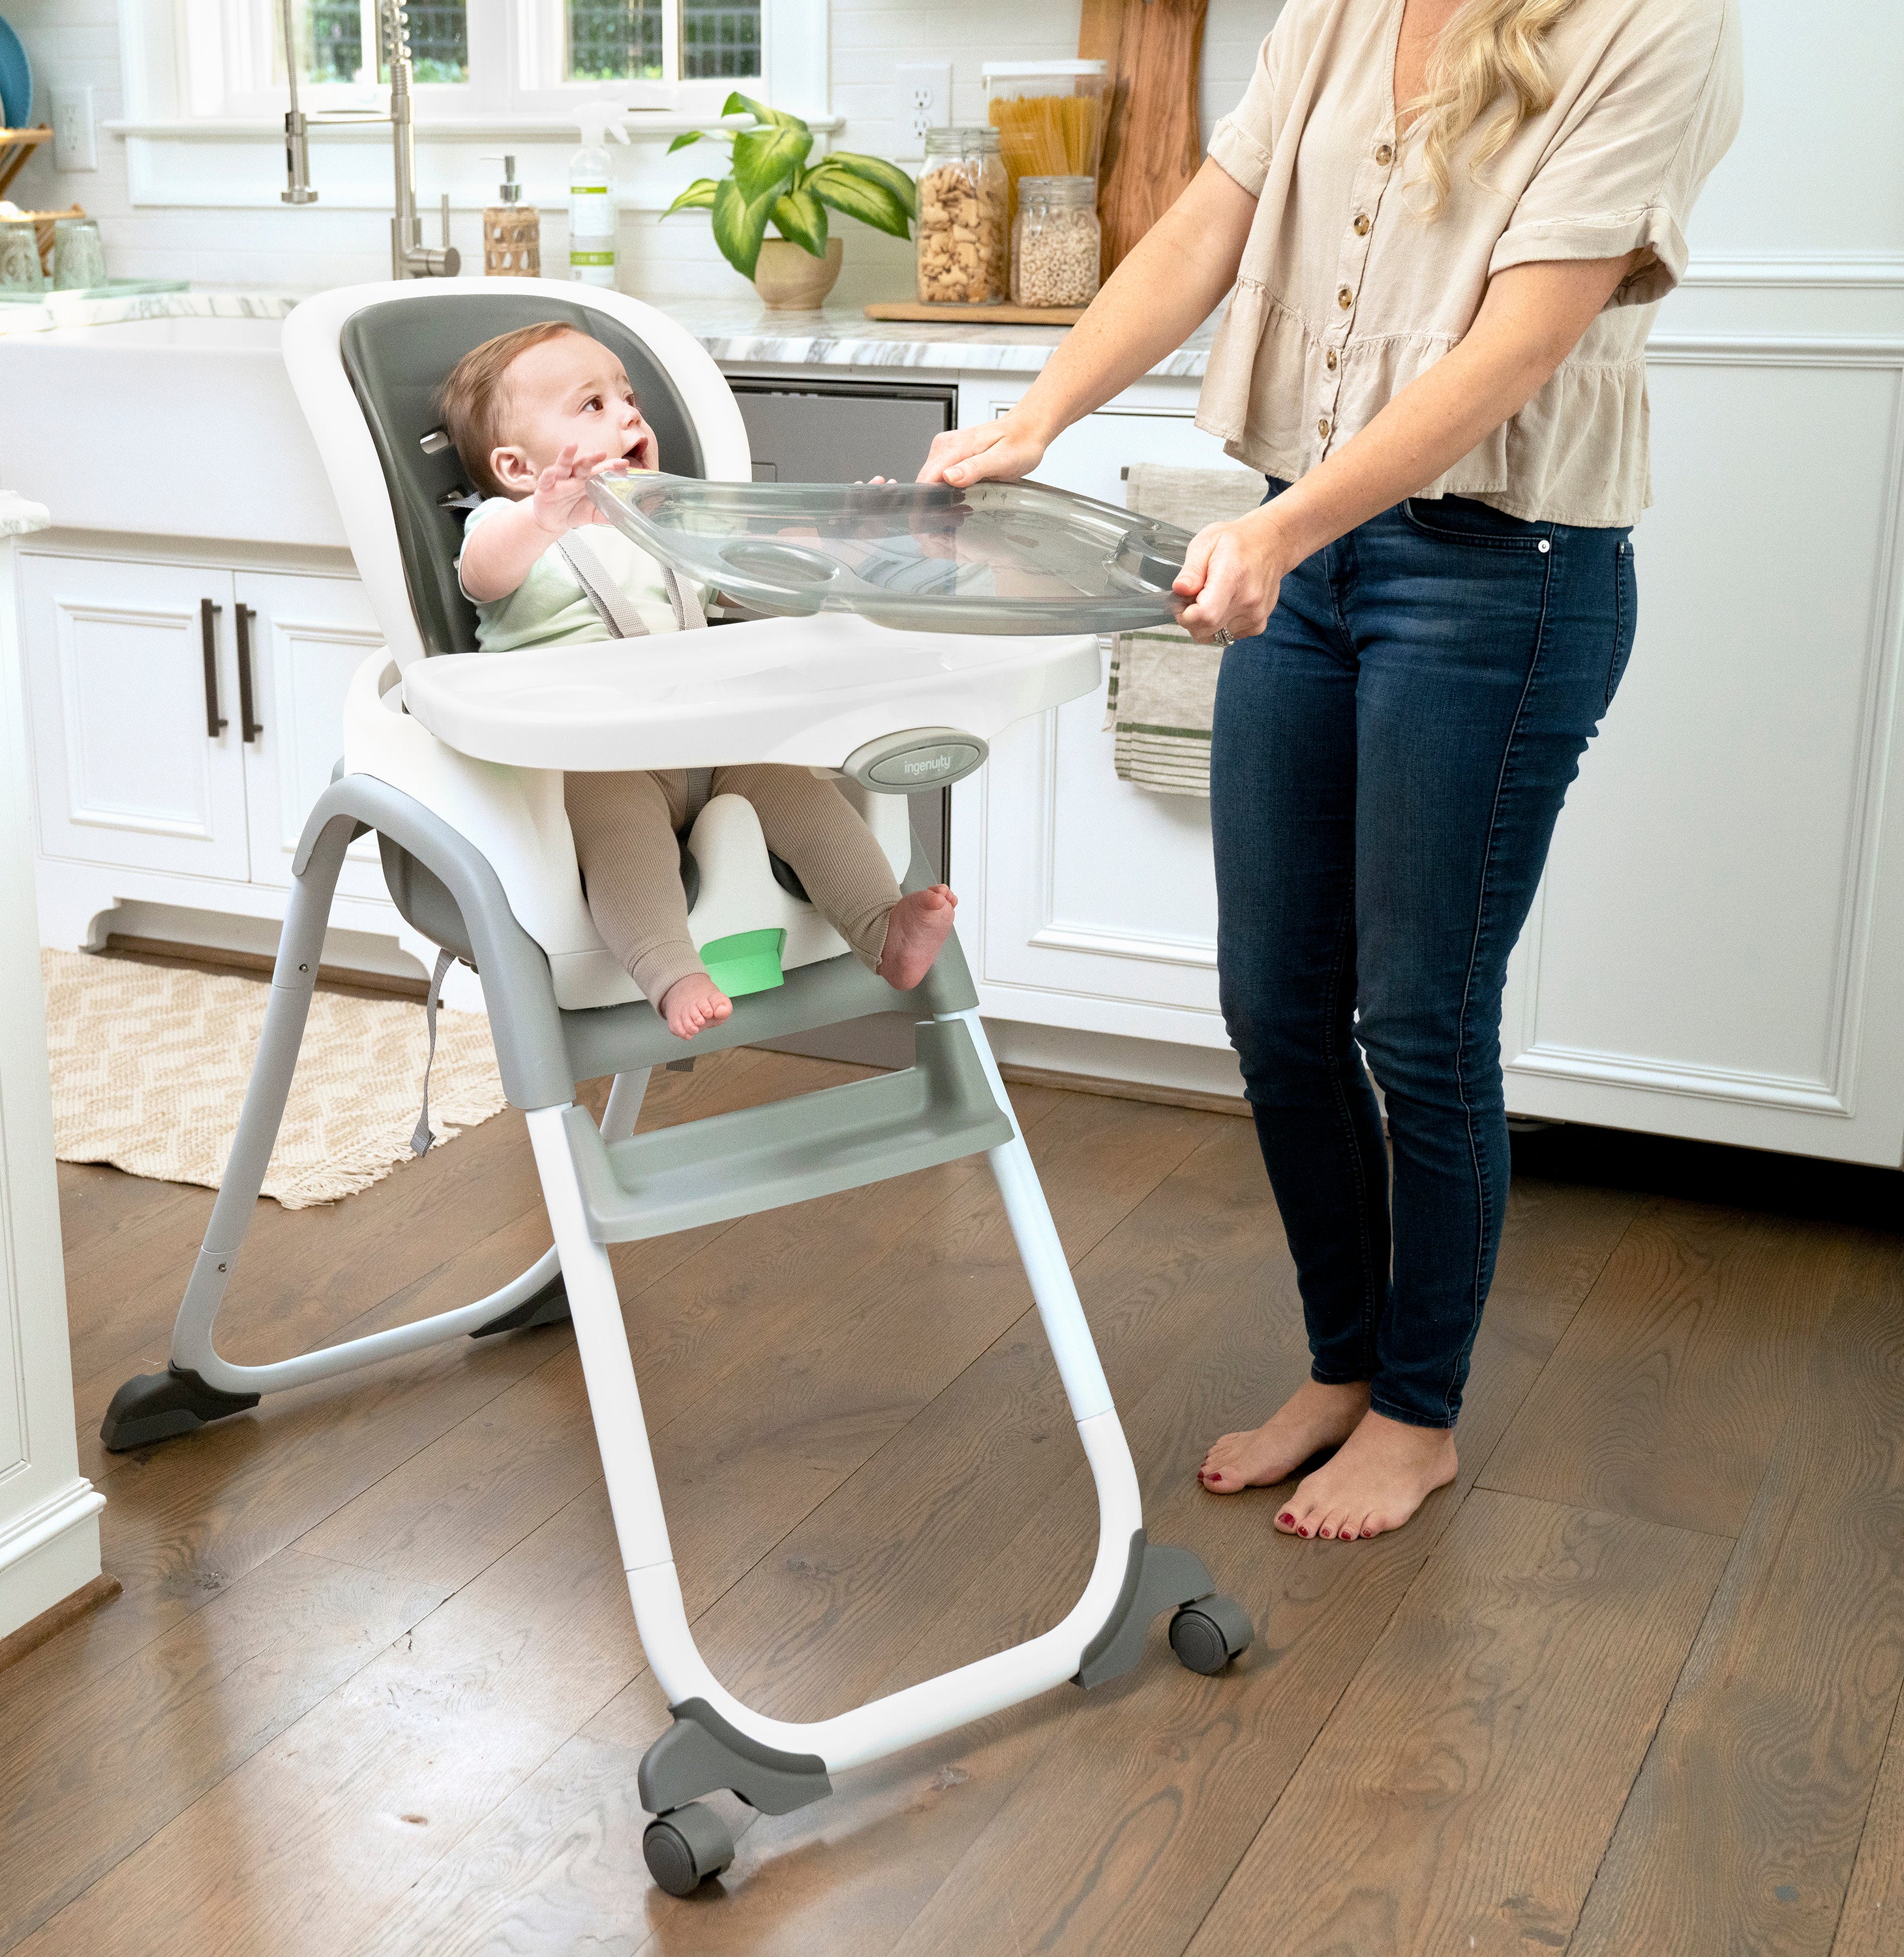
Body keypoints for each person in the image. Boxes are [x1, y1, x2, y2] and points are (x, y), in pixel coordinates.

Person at [918, 0, 1741, 1541]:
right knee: (1276, 1007)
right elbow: (1205, 225)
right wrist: (1040, 414)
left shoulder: (1657, 23)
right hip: (1310, 552)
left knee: (1420, 1021)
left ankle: (1417, 1414)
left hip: (1502, 571)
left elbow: (1524, 339)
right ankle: (1343, 1365)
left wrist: (1282, 529)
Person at [443, 322, 956, 1039]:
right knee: (623, 839)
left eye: (629, 398)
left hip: (709, 745)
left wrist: (846, 536)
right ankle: (670, 971)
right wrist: (543, 516)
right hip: (595, 763)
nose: (630, 416)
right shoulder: (510, 526)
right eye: (593, 405)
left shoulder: (671, 523)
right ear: (518, 468)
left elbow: (757, 562)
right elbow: (484, 573)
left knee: (803, 794)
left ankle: (882, 927)